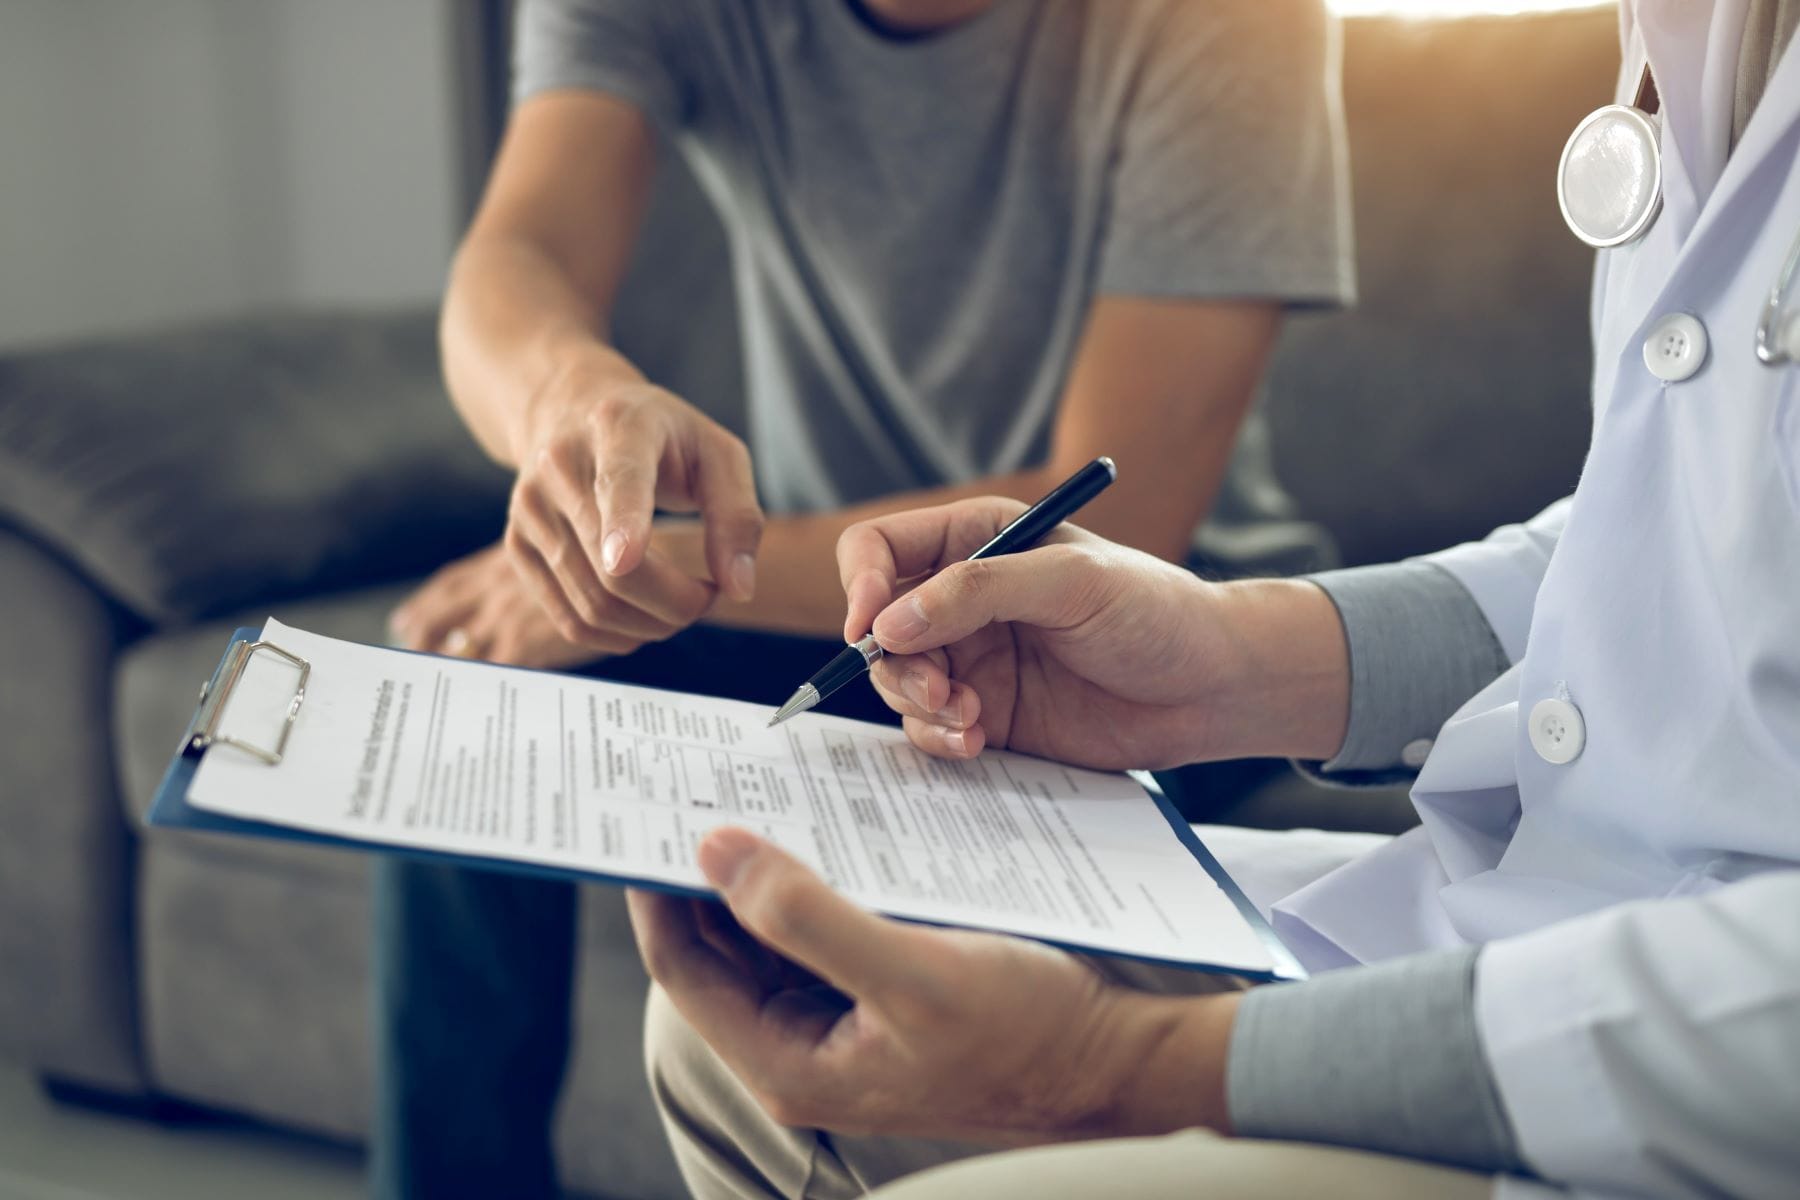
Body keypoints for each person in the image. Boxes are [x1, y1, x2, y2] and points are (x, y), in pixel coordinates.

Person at [630, 2, 1800, 1197]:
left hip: (1696, 1067)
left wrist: (1118, 1063)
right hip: (1549, 920)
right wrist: (1232, 662)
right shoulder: (1696, 31)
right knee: (753, 1030)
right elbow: (1655, 545)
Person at [372, 0, 1353, 1194]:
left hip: (1139, 638)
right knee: (480, 692)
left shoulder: (1231, 21)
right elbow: (513, 262)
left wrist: (681, 565)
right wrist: (570, 402)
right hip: (820, 614)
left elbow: (1115, 513)